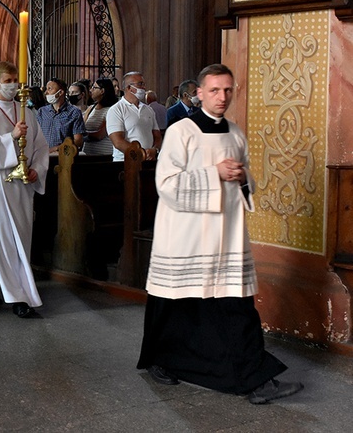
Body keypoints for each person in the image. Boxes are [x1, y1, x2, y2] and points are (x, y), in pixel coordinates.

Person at [137, 63, 304, 405]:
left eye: (228, 90)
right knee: (177, 306)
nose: (222, 97)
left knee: (237, 306)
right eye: (214, 90)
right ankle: (162, 360)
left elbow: (246, 184)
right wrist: (214, 172)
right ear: (199, 93)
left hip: (226, 235)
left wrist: (242, 177)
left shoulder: (236, 132)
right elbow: (165, 185)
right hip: (186, 235)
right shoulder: (181, 131)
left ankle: (255, 380)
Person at [0, 61, 49, 318]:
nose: (13, 85)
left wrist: (36, 168)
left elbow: (40, 146)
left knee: (20, 236)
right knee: (5, 236)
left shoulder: (27, 111)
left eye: (15, 80)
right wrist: (11, 138)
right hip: (0, 181)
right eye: (7, 80)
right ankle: (17, 296)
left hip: (23, 184)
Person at [106, 71, 161, 162]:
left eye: (144, 84)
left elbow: (157, 136)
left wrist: (154, 150)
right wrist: (140, 153)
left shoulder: (148, 109)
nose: (144, 87)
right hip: (126, 161)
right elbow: (118, 142)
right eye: (140, 84)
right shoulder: (116, 110)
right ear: (129, 88)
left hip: (149, 161)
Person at [36, 77, 85, 153]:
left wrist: (58, 148)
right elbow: (36, 135)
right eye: (46, 89)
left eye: (50, 89)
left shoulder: (74, 112)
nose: (46, 92)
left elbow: (78, 141)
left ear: (60, 92)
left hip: (64, 156)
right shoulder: (42, 112)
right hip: (42, 155)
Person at [82, 78, 117, 156]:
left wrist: (82, 135)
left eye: (94, 87)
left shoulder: (111, 110)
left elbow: (100, 135)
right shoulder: (90, 108)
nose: (91, 90)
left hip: (103, 154)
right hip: (88, 153)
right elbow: (82, 127)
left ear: (102, 91)